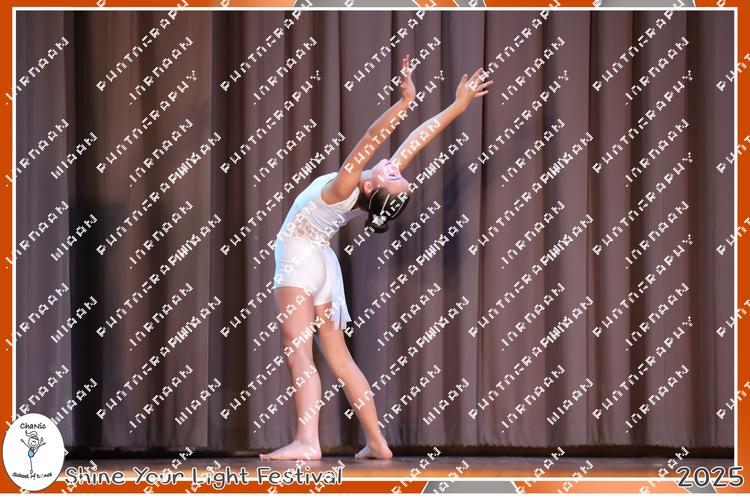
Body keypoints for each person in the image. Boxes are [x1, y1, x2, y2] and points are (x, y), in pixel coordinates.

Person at [259, 55, 493, 461]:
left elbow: (372, 136)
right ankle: (377, 442)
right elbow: (416, 140)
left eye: (393, 174)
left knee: (299, 352)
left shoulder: (345, 185)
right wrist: (458, 106)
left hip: (299, 260)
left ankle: (308, 442)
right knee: (339, 358)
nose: (393, 165)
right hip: (322, 265)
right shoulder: (364, 188)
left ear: (372, 188)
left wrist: (405, 101)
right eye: (396, 172)